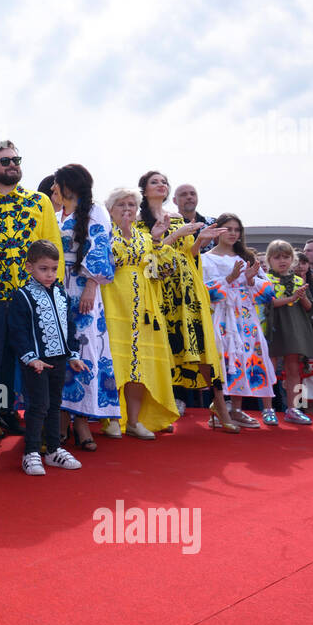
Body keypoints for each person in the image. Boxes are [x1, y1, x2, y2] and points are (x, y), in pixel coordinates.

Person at [0, 141, 62, 441]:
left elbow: (54, 247)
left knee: (36, 363)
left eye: (16, 159)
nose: (12, 164)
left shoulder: (39, 201)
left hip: (33, 297)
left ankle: (38, 429)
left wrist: (54, 290)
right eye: (4, 161)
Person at [139, 171, 234, 431]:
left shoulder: (178, 218)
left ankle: (219, 406)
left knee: (203, 345)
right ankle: (162, 409)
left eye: (164, 182)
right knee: (165, 349)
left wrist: (200, 241)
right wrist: (175, 235)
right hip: (160, 291)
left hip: (188, 288)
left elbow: (188, 254)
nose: (161, 185)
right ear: (144, 189)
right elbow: (146, 258)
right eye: (154, 182)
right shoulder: (139, 222)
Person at [99, 187, 178, 439]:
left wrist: (158, 240)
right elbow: (106, 265)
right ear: (110, 210)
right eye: (121, 204)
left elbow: (161, 272)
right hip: (113, 303)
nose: (127, 209)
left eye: (131, 204)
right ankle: (111, 417)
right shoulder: (103, 236)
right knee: (114, 361)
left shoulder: (146, 238)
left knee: (139, 365)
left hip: (144, 307)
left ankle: (133, 421)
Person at [53, 164, 119, 449]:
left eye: (57, 183)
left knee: (84, 348)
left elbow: (100, 248)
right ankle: (60, 420)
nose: (53, 189)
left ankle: (82, 423)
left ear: (69, 185)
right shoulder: (55, 216)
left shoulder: (96, 212)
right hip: (55, 287)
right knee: (57, 349)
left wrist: (91, 286)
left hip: (82, 287)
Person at [10, 239, 84, 474]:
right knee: (38, 405)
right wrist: (31, 358)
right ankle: (31, 452)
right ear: (29, 267)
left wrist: (73, 354)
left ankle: (53, 449)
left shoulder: (61, 294)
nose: (50, 274)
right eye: (44, 269)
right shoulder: (22, 296)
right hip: (36, 363)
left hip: (59, 360)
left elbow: (68, 326)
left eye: (54, 268)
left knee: (54, 405)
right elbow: (18, 331)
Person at [202, 214, 278, 427]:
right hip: (221, 316)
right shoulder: (206, 259)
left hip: (245, 315)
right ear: (218, 231)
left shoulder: (246, 257)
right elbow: (203, 291)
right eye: (228, 228)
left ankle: (237, 409)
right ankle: (219, 406)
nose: (233, 233)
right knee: (225, 359)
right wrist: (228, 279)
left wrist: (251, 280)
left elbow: (268, 292)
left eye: (237, 229)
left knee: (246, 356)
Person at [263, 240, 313, 424]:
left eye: (286, 257)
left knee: (295, 369)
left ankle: (294, 408)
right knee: (269, 369)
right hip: (272, 328)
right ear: (269, 260)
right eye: (277, 257)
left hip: (295, 328)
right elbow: (267, 303)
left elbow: (309, 306)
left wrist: (301, 297)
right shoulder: (264, 279)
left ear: (292, 259)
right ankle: (267, 408)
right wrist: (293, 297)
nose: (282, 261)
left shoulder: (298, 280)